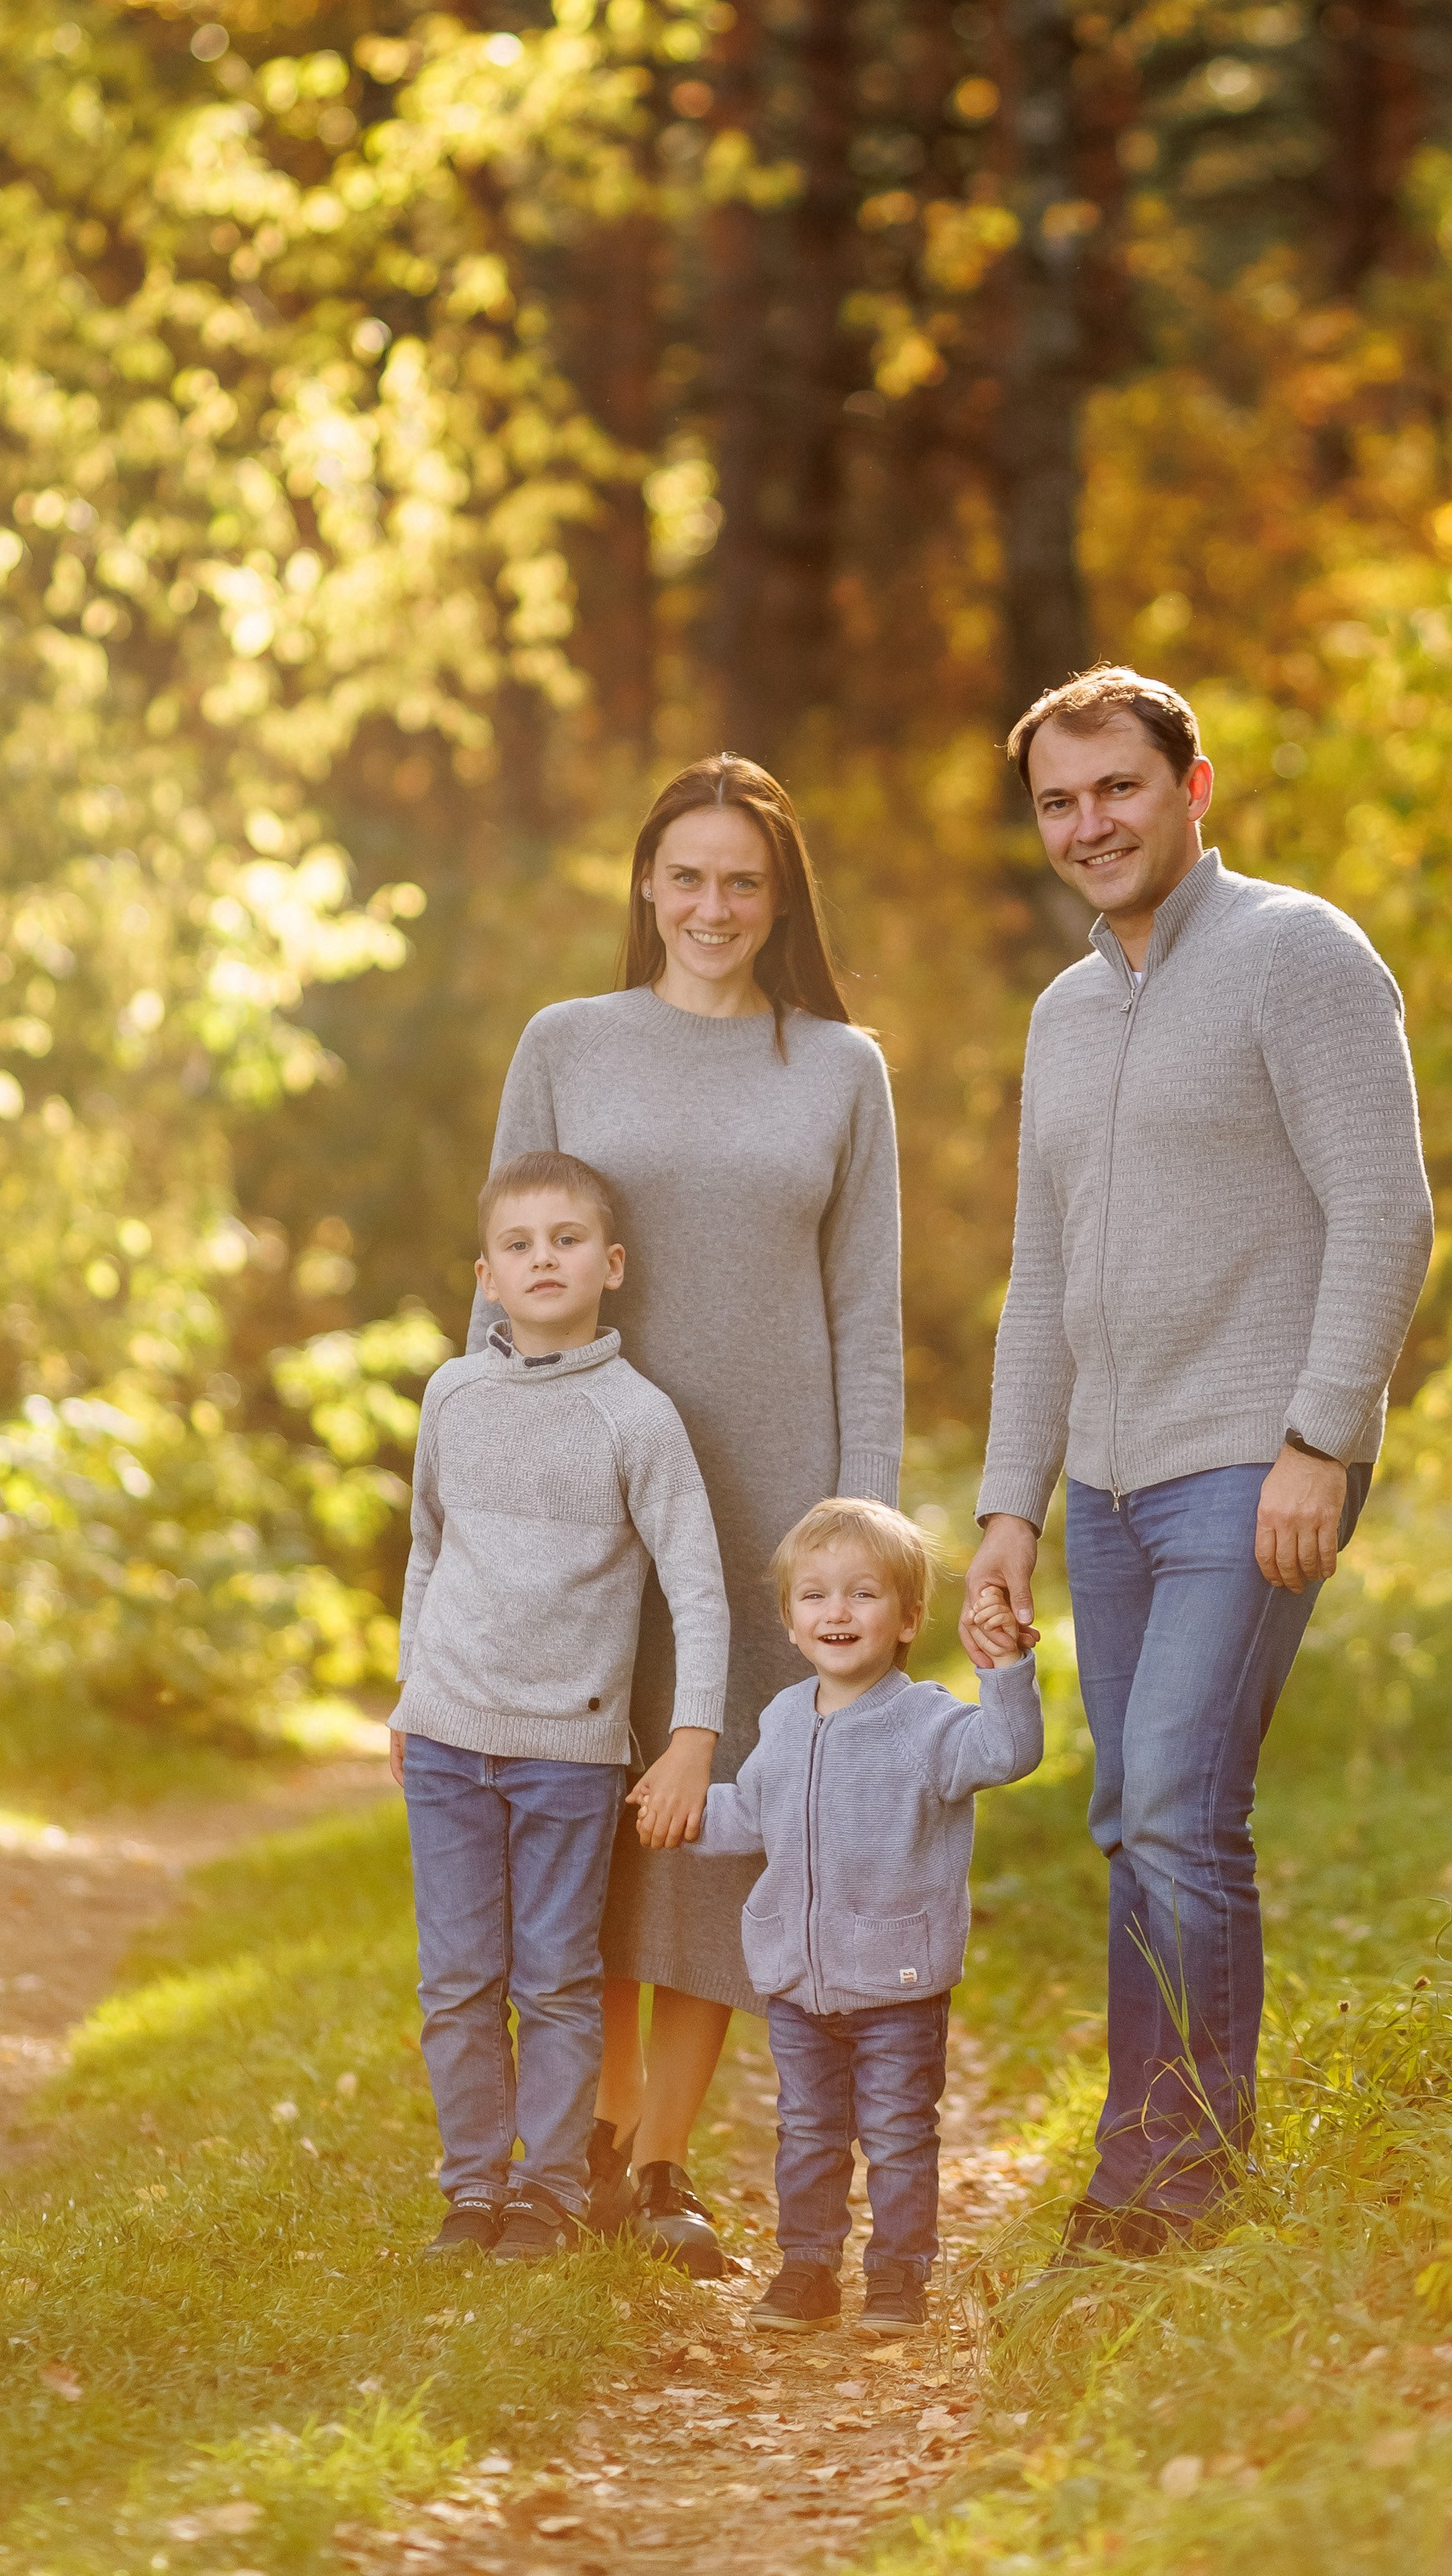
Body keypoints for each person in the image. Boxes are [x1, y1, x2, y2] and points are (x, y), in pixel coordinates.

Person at [961, 664, 1434, 2261]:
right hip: (1105, 1478)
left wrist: (1320, 1440)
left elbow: (1386, 1211)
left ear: (1194, 788)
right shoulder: (1066, 1011)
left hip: (1252, 1455)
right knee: (1136, 1812)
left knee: (1173, 1796)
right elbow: (1040, 1281)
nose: (1090, 823)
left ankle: (1194, 2168)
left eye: (1120, 789)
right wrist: (1006, 1507)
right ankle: (1141, 2159)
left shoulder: (1299, 956)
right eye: (1060, 801)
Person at [475, 757, 903, 2273]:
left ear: (777, 902)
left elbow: (867, 1314)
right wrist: (492, 1490)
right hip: (590, 1509)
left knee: (721, 1834)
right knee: (585, 1817)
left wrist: (865, 1530)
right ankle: (568, 2140)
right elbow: (506, 1266)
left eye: (743, 882)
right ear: (646, 887)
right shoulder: (568, 1044)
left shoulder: (841, 1067)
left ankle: (657, 2167)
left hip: (771, 1514)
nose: (711, 905)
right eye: (687, 876)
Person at [390, 1150, 729, 2261]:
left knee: (557, 1978)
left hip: (568, 1757)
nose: (544, 1258)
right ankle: (472, 2192)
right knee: (458, 1982)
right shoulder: (453, 1394)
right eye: (520, 1244)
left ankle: (548, 2194)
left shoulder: (638, 1419)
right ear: (487, 1274)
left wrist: (691, 1737)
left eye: (567, 1239)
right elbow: (427, 1548)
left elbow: (697, 1584)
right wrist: (408, 1696)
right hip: (446, 1739)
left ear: (611, 1264)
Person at [665, 1497, 1041, 2334]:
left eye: (863, 1594)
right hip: (799, 1984)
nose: (837, 1612)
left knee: (900, 2138)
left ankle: (899, 2279)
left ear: (907, 1619)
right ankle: (807, 2271)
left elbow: (1008, 1751)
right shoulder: (784, 1720)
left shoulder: (925, 1723)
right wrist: (674, 1813)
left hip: (897, 1983)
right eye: (816, 1596)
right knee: (806, 2134)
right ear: (793, 1622)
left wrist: (1006, 1671)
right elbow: (753, 1815)